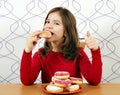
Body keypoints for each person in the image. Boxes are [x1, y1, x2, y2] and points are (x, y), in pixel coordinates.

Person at [20, 7, 102, 85]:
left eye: (56, 23)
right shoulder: (41, 54)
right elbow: (26, 81)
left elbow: (94, 80)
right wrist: (28, 50)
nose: (48, 26)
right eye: (47, 22)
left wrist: (95, 51)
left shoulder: (78, 53)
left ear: (66, 32)